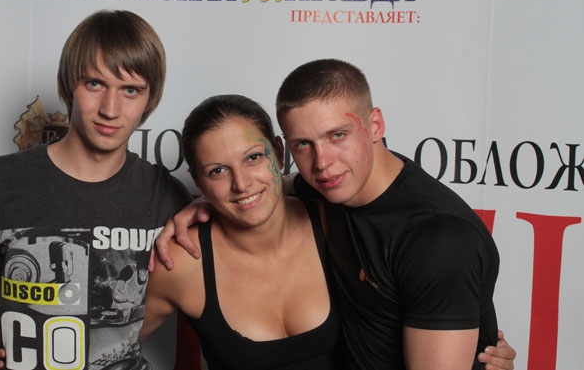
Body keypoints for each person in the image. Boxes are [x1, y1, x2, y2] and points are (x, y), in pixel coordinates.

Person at [155, 59, 516, 370]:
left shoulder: (437, 237)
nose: (323, 162)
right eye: (303, 144)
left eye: (338, 135)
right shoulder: (331, 190)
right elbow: (265, 186)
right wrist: (210, 202)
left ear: (375, 126)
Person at [0, 9, 192, 370]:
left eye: (130, 90)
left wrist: (205, 209)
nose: (110, 109)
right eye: (95, 84)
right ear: (69, 85)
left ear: (150, 98)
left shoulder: (166, 195)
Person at [140, 94, 341, 369]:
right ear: (198, 180)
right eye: (218, 171)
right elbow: (102, 349)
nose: (241, 184)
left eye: (253, 157)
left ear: (279, 152)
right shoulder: (182, 261)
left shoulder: (334, 224)